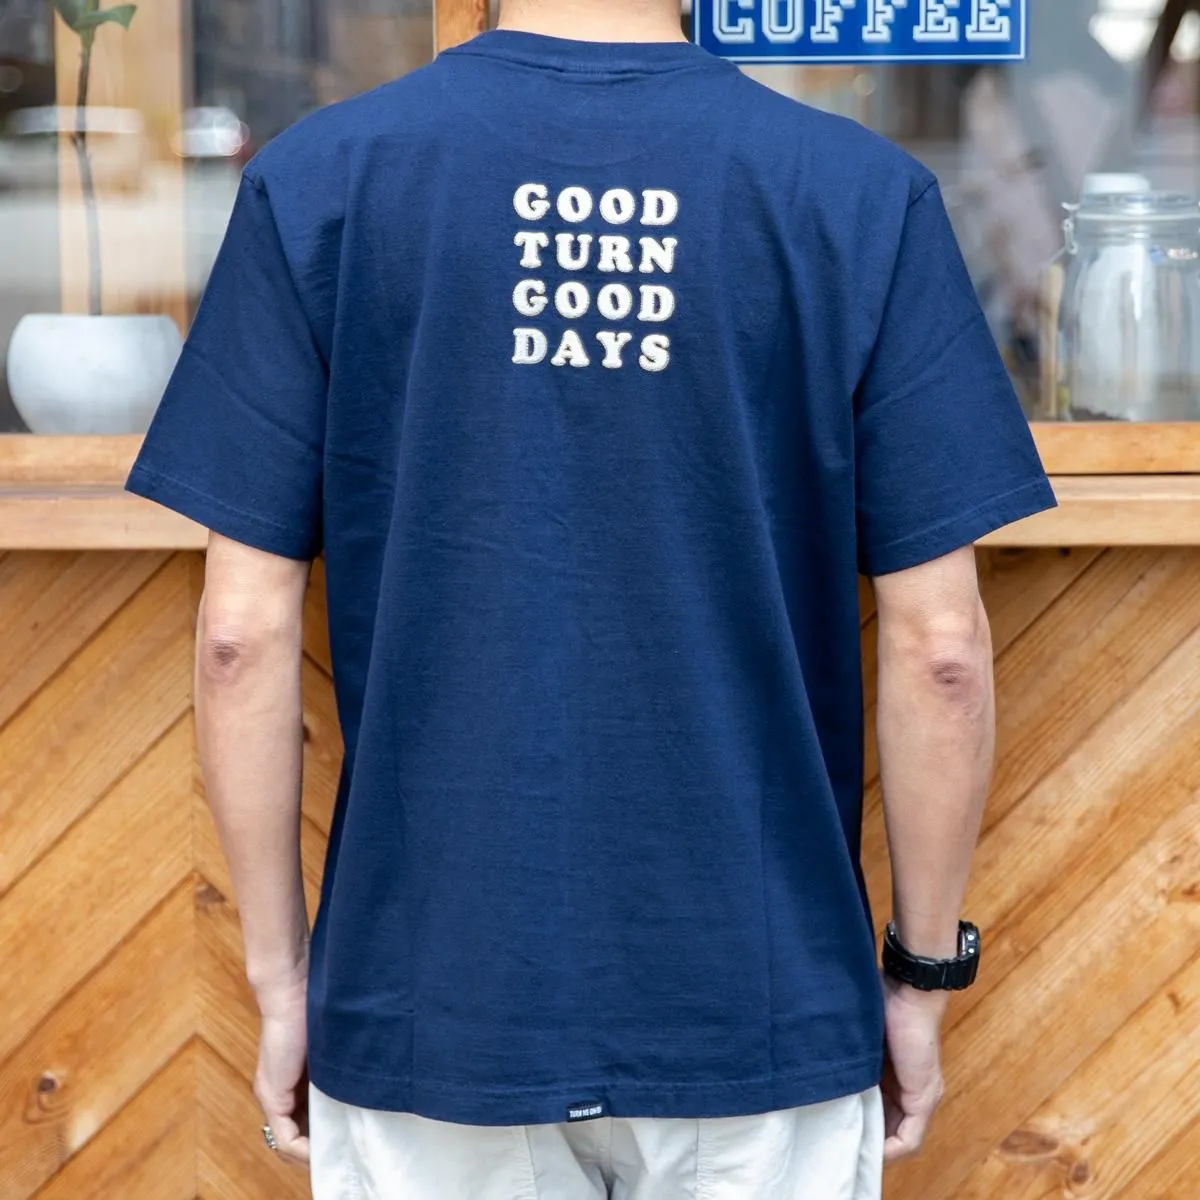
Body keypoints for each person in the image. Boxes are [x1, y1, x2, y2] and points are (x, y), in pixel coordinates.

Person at [126, 1, 1057, 1195]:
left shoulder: (324, 180)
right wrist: (920, 978)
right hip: (759, 1001)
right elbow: (942, 652)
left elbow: (239, 638)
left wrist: (284, 981)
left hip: (431, 1000)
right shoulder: (857, 193)